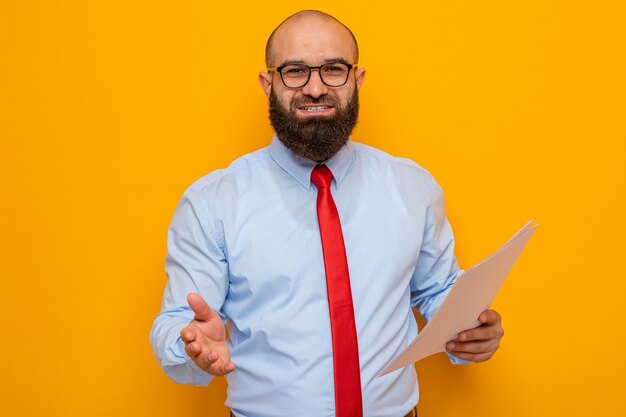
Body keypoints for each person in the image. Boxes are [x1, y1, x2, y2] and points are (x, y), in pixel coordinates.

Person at [150, 9, 504, 417]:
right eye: (295, 71)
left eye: (334, 69)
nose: (316, 88)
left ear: (357, 80)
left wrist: (469, 331)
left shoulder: (412, 187)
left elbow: (436, 291)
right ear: (268, 85)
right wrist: (190, 344)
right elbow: (174, 321)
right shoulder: (212, 203)